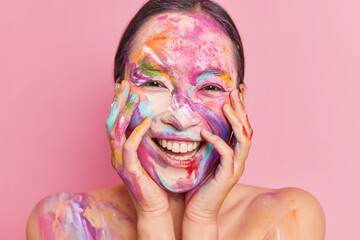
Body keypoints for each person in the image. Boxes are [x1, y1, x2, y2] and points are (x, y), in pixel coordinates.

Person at [26, 0, 325, 239]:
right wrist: (152, 215)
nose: (182, 119)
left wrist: (202, 221)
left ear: (240, 101)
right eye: (155, 84)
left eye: (210, 87)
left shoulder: (285, 220)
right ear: (120, 96)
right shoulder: (65, 223)